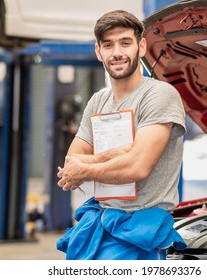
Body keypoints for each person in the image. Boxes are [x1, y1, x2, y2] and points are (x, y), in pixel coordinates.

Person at [56, 10, 186, 260]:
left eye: (125, 42)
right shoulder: (98, 100)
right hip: (100, 221)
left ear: (142, 46)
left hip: (140, 231)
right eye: (108, 45)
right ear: (98, 52)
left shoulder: (159, 95)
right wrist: (122, 152)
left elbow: (138, 167)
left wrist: (86, 169)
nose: (117, 52)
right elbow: (72, 160)